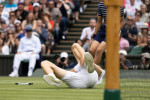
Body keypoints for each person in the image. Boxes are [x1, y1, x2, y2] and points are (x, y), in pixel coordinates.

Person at [41, 43, 105, 88]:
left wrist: (80, 65)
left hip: (78, 81)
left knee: (44, 63)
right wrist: (88, 63)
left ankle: (53, 77)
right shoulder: (90, 68)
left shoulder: (82, 64)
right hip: (92, 80)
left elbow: (72, 72)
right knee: (75, 46)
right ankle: (53, 78)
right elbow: (100, 72)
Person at [89, 0, 125, 65]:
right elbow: (99, 22)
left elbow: (122, 22)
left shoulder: (118, 5)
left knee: (99, 50)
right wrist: (94, 34)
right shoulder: (100, 5)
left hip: (113, 29)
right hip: (103, 29)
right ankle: (95, 69)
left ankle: (92, 71)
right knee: (91, 50)